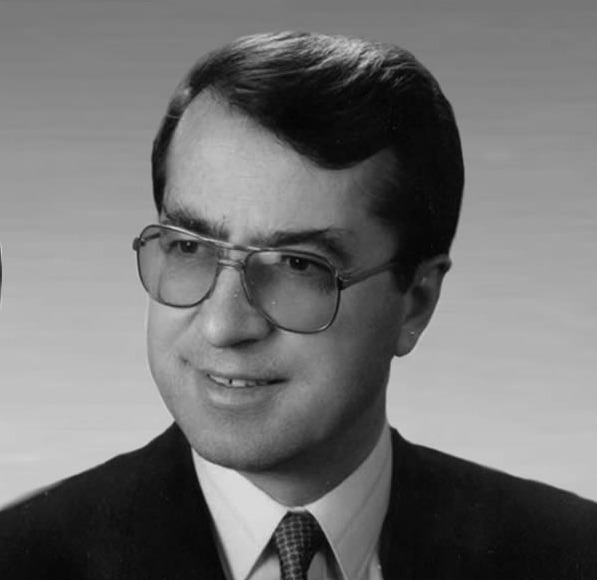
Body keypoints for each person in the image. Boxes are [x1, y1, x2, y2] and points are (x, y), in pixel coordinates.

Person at [0, 31, 595, 580]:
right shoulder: (21, 558)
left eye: (298, 266)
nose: (223, 324)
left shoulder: (571, 554)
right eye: (189, 247)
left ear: (416, 302)